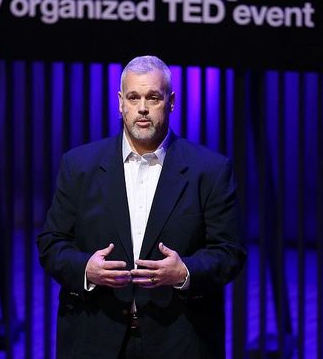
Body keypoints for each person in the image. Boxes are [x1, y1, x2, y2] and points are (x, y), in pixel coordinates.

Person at [37, 55, 246, 358]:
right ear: (120, 102)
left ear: (171, 101)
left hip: (179, 340)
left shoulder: (209, 170)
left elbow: (230, 252)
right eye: (134, 97)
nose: (143, 108)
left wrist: (185, 271)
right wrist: (86, 269)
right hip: (94, 339)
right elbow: (51, 243)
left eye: (153, 97)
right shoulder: (79, 165)